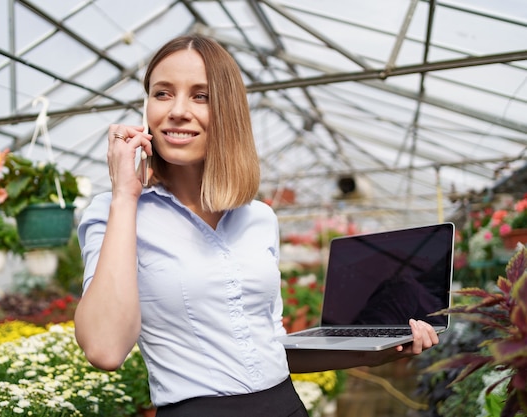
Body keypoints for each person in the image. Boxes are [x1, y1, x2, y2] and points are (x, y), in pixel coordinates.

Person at [74, 34, 439, 417]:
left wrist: (375, 353)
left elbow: (271, 347)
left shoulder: (259, 217)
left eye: (201, 96)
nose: (177, 110)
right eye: (162, 93)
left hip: (286, 406)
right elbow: (105, 348)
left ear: (229, 111)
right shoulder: (115, 213)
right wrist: (124, 196)